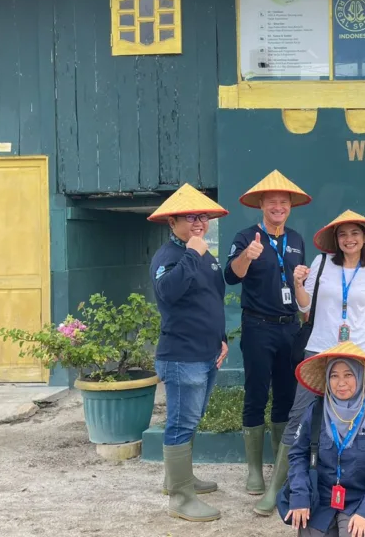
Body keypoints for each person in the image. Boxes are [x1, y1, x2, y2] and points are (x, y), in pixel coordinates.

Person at [275, 211, 365, 506]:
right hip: (320, 348)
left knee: (352, 415)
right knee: (299, 414)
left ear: (364, 238)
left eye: (354, 234)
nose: (348, 239)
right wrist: (298, 283)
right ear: (336, 240)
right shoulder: (321, 263)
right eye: (342, 234)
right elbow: (304, 307)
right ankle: (280, 485)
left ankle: (348, 485)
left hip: (357, 353)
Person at [224, 169, 311, 515]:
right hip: (257, 327)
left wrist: (300, 283)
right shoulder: (246, 237)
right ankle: (254, 471)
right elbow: (230, 276)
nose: (278, 206)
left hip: (289, 327)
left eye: (283, 202)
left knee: (287, 399)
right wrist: (248, 255)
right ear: (261, 205)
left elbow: (299, 283)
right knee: (256, 394)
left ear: (290, 206)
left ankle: (280, 468)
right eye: (271, 201)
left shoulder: (297, 240)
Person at [148, 184, 230, 522]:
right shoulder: (169, 257)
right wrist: (193, 254)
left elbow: (211, 298)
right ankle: (180, 497)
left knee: (190, 420)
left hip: (206, 352)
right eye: (191, 217)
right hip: (182, 356)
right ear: (173, 222)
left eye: (204, 216)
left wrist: (221, 338)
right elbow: (167, 292)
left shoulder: (203, 254)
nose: (200, 222)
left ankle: (180, 478)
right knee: (181, 423)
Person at [280, 341, 365, 537]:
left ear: (361, 377)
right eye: (334, 376)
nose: (340, 382)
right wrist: (300, 496)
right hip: (321, 499)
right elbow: (297, 455)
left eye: (349, 374)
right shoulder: (316, 410)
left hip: (361, 499)